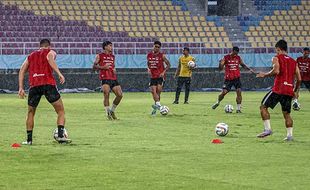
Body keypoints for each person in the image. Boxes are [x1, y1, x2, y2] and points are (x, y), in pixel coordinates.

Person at [18, 39, 71, 145]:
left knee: (31, 113)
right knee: (60, 111)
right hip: (48, 85)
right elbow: (49, 58)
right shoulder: (51, 52)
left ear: (40, 46)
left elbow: (22, 70)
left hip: (35, 86)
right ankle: (60, 136)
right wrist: (59, 73)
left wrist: (21, 88)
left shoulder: (31, 56)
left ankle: (29, 140)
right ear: (49, 46)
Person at [256, 40, 301, 141]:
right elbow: (299, 79)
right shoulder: (294, 62)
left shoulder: (276, 58)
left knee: (263, 107)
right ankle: (289, 136)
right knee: (287, 114)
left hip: (278, 89)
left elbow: (276, 71)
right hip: (289, 91)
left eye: (277, 50)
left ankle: (268, 129)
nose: (276, 53)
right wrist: (295, 91)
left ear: (279, 49)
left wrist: (265, 75)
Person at [211, 46, 254, 113]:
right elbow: (220, 68)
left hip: (237, 78)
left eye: (237, 53)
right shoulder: (226, 57)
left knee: (239, 92)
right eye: (235, 53)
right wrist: (220, 63)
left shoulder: (238, 58)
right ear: (232, 51)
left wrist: (249, 69)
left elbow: (243, 65)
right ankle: (218, 102)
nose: (235, 55)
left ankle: (238, 109)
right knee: (224, 93)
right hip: (228, 79)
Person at [93, 41, 123, 120]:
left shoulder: (113, 56)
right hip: (105, 78)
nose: (111, 47)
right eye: (110, 46)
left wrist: (114, 69)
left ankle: (112, 111)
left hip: (113, 78)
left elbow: (113, 66)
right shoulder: (100, 56)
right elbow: (94, 66)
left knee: (120, 95)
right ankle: (108, 113)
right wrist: (103, 67)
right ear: (105, 47)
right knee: (106, 94)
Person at [147, 41, 171, 115]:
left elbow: (169, 65)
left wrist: (163, 72)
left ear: (160, 48)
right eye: (155, 46)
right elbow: (148, 63)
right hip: (153, 76)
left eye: (158, 47)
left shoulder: (162, 56)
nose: (156, 48)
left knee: (158, 92)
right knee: (153, 92)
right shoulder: (149, 55)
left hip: (160, 76)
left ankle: (155, 109)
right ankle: (160, 107)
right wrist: (148, 69)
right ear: (153, 46)